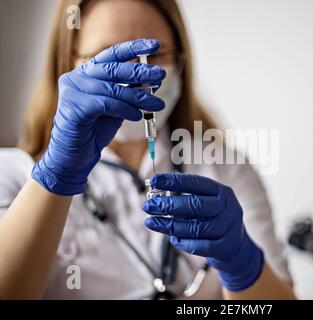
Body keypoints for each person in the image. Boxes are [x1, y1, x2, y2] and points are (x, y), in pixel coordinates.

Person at [0, 0, 296, 299]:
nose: (137, 75)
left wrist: (243, 266)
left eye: (153, 55)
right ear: (68, 65)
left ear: (181, 62)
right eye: (110, 58)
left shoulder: (224, 167)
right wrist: (55, 177)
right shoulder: (15, 177)